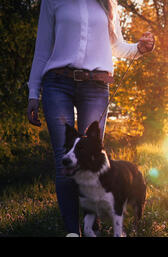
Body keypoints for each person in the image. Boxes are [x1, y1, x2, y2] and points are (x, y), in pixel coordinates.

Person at [26, 0, 155, 236]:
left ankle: (91, 227)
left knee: (91, 156)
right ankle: (72, 231)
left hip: (96, 87)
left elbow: (116, 46)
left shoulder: (107, 4)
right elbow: (43, 49)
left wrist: (139, 48)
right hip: (57, 84)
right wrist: (33, 92)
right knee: (63, 158)